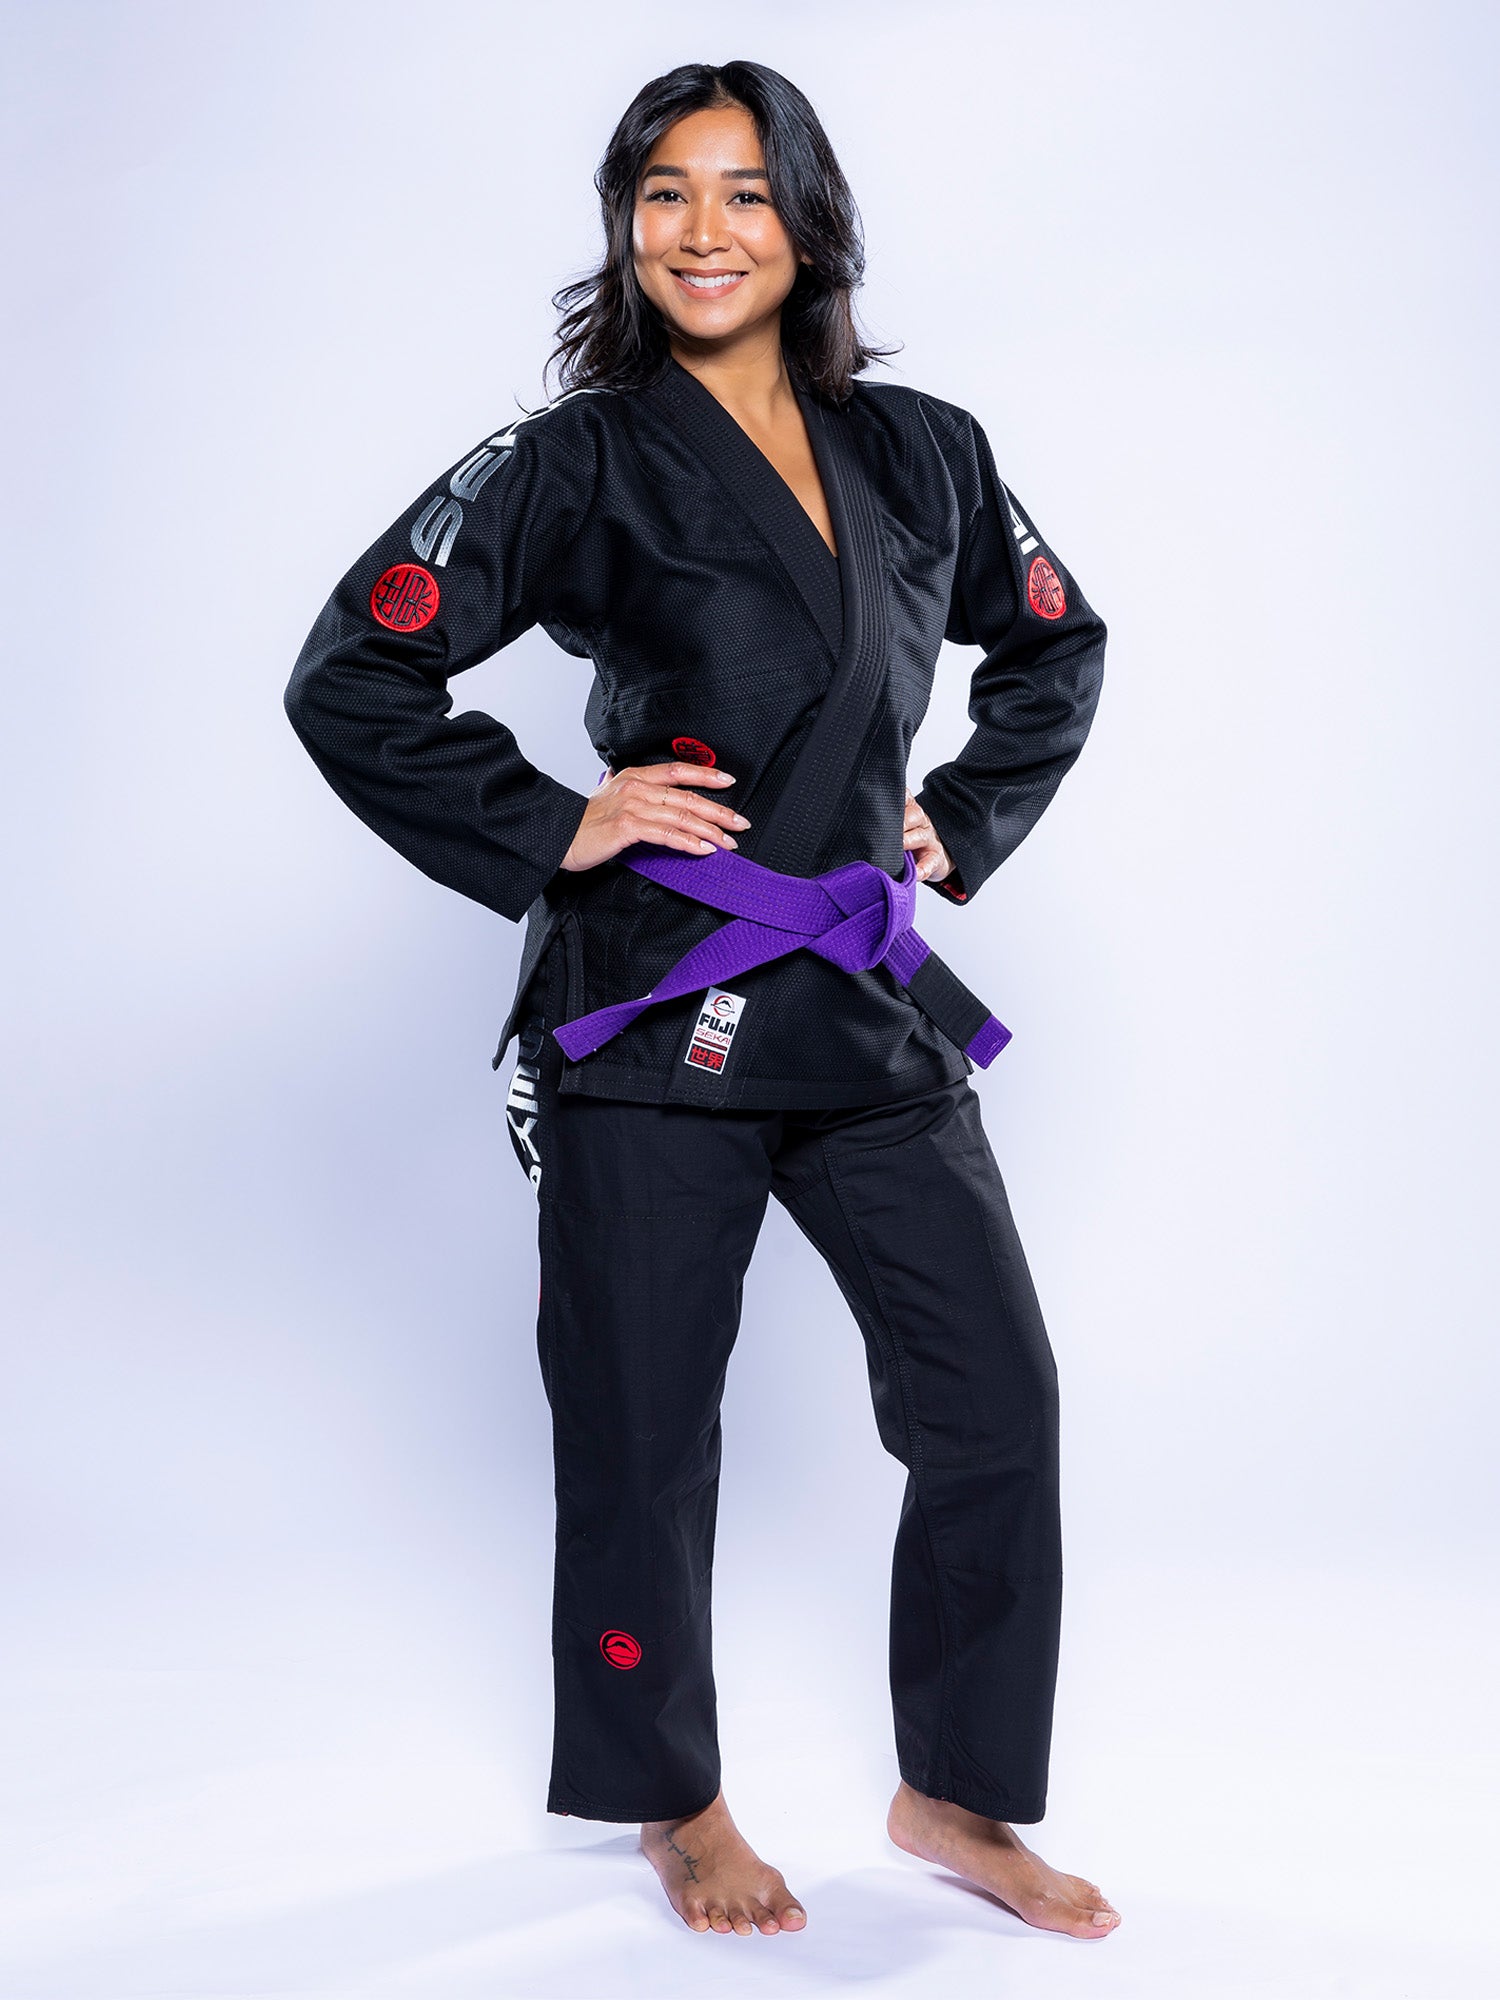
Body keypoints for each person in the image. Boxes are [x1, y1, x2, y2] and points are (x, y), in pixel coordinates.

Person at [284, 59, 1117, 1943]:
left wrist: (966, 816)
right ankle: (675, 1801)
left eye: (744, 193)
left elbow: (1055, 643)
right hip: (655, 1011)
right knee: (643, 1435)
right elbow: (353, 675)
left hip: (868, 1008)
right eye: (664, 192)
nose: (703, 230)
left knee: (995, 1401)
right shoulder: (570, 458)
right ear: (625, 224)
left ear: (810, 223)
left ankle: (956, 1789)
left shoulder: (928, 449)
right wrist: (553, 821)